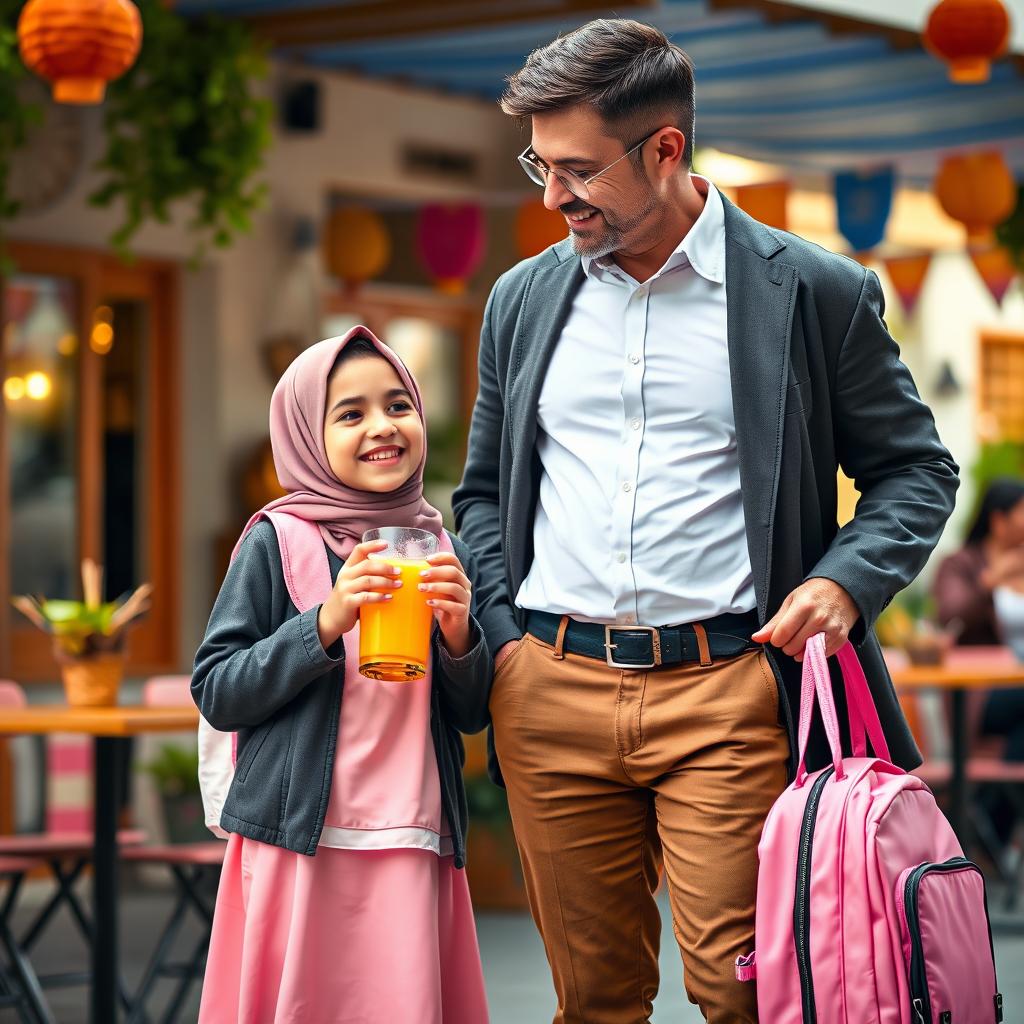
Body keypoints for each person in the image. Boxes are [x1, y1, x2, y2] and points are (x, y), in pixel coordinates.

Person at [453, 18, 958, 1023]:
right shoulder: (520, 298)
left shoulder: (815, 291)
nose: (551, 195)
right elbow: (480, 492)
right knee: (591, 1000)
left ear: (666, 149)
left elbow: (913, 470)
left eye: (577, 169)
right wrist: (507, 644)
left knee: (747, 997)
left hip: (725, 696)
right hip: (548, 693)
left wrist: (843, 582)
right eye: (538, 164)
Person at [192, 328, 491, 1023]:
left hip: (411, 833)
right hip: (302, 839)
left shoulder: (441, 546)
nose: (382, 427)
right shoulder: (278, 538)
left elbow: (470, 712)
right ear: (304, 433)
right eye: (350, 414)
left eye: (397, 405)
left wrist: (458, 638)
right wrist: (323, 622)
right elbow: (218, 687)